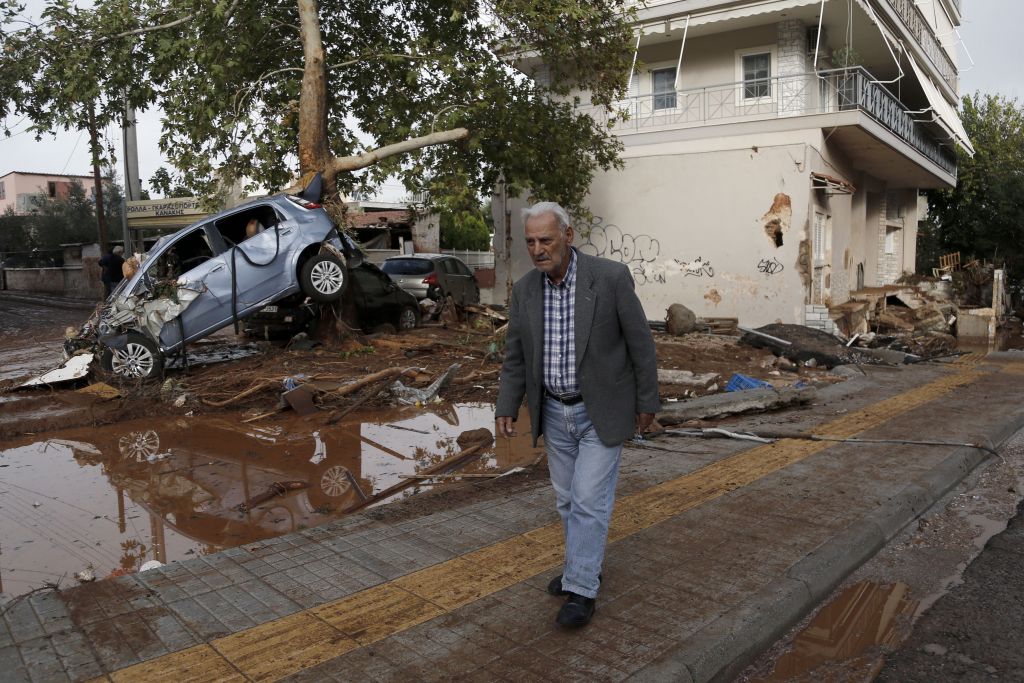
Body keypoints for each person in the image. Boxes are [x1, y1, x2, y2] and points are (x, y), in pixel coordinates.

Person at [495, 202, 659, 628]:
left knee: (588, 500)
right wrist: (506, 405)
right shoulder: (526, 290)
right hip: (553, 412)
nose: (537, 249)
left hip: (600, 411)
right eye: (530, 242)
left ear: (568, 236)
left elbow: (641, 344)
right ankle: (582, 565)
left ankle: (582, 588)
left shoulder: (609, 279)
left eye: (545, 240)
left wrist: (648, 402)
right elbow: (515, 355)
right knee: (567, 500)